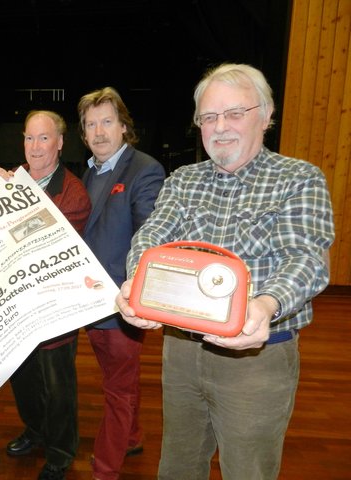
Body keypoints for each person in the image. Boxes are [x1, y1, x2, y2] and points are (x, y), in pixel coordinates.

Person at [116, 63, 335, 480]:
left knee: (248, 471)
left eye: (235, 113)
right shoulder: (183, 180)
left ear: (266, 115)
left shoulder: (298, 178)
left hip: (258, 356)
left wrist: (266, 304)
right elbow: (151, 238)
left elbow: (306, 257)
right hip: (181, 350)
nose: (221, 127)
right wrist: (135, 283)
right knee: (177, 467)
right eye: (209, 117)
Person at [0, 110, 92, 480]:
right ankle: (34, 431)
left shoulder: (73, 192)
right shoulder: (9, 181)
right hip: (15, 306)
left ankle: (61, 450)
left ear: (60, 143)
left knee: (58, 385)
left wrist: (5, 201)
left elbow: (44, 245)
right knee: (24, 378)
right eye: (29, 138)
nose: (35, 146)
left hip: (54, 308)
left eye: (44, 138)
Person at [78, 87, 166, 480]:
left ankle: (105, 469)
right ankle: (132, 435)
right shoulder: (89, 172)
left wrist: (135, 291)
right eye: (91, 124)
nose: (99, 132)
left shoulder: (144, 169)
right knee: (120, 376)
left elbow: (151, 236)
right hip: (90, 301)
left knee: (117, 389)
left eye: (107, 122)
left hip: (122, 303)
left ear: (124, 126)